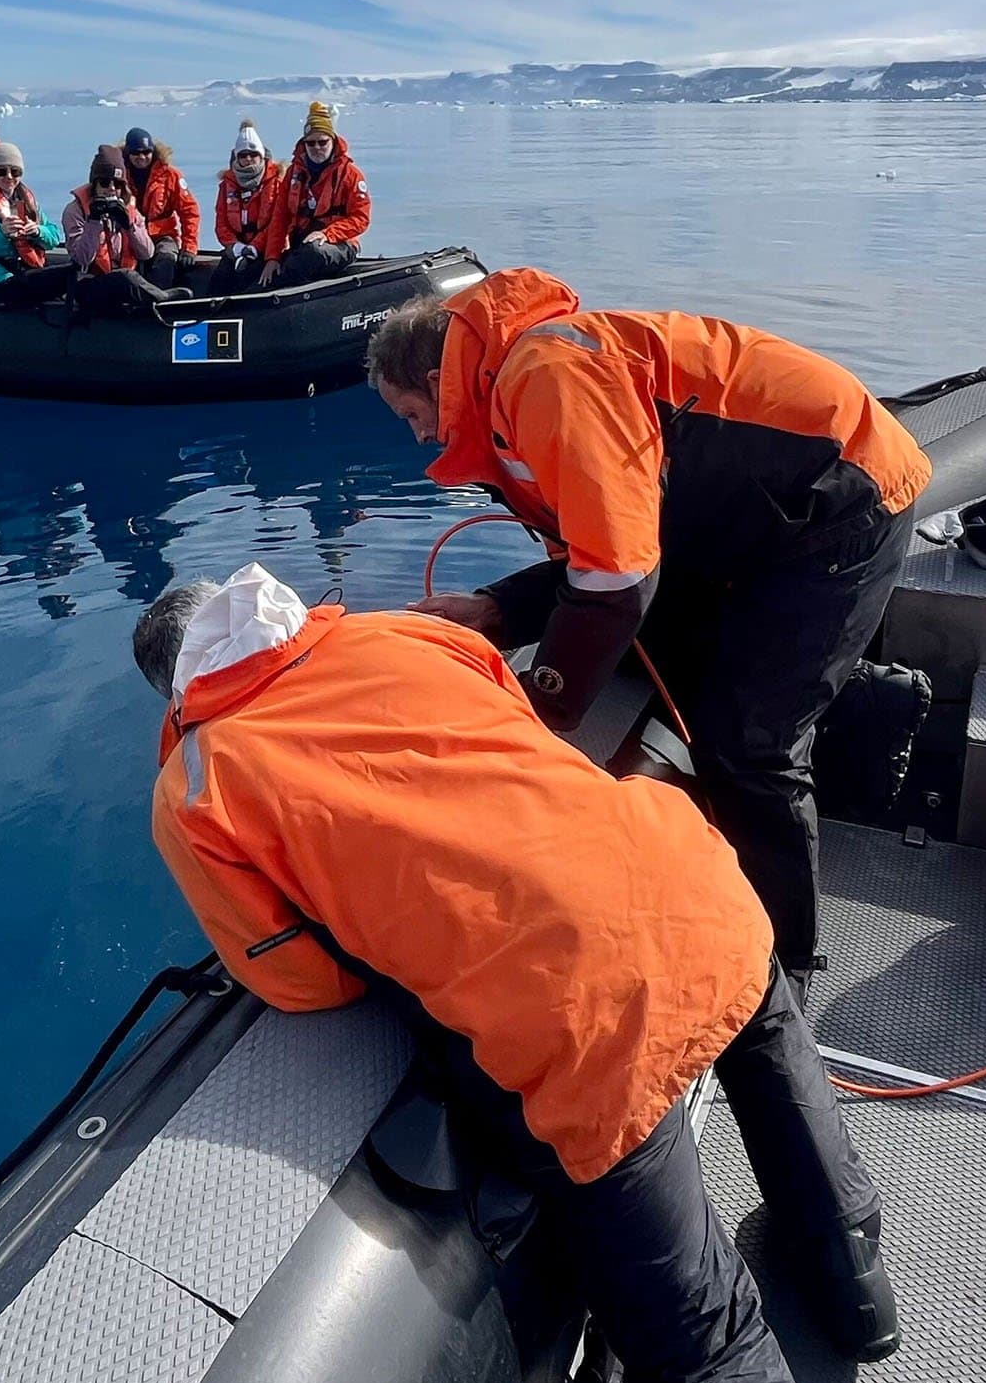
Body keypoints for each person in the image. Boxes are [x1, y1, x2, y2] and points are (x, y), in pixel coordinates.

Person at [132, 568, 898, 1383]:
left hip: (583, 1025)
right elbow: (524, 739)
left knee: (709, 1362)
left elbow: (298, 980)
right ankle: (853, 1273)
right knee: (765, 1036)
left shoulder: (198, 786)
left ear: (175, 688)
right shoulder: (403, 634)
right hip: (693, 885)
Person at [366, 270, 930, 989]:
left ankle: (784, 964)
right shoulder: (513, 388)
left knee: (750, 747)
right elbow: (599, 547)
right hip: (752, 511)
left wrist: (541, 710)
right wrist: (496, 608)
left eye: (412, 414)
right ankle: (847, 699)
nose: (419, 436)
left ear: (436, 379)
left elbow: (615, 578)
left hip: (839, 500)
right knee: (668, 656)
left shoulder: (545, 377)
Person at [62, 145, 181, 316]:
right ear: (94, 184)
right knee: (124, 277)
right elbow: (82, 258)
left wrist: (129, 225)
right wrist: (94, 222)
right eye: (105, 183)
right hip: (88, 285)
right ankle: (162, 299)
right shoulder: (75, 211)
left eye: (117, 184)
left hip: (124, 282)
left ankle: (155, 301)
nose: (111, 189)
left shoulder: (129, 208)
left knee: (140, 270)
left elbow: (147, 253)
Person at [265, 100, 368, 287]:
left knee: (313, 252)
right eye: (311, 143)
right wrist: (273, 257)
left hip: (339, 244)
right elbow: (280, 217)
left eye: (322, 142)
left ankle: (280, 292)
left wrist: (328, 234)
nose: (317, 147)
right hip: (301, 244)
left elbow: (361, 218)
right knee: (265, 266)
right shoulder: (293, 173)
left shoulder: (350, 174)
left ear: (332, 141)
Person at [0, 141, 71, 304]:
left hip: (28, 271)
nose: (9, 177)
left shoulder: (26, 200)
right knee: (67, 276)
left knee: (74, 272)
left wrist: (38, 231)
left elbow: (54, 237)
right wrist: (1, 233)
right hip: (0, 282)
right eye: (2, 171)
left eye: (15, 172)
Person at [116, 128, 199, 288]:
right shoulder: (118, 176)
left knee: (166, 260)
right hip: (128, 236)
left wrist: (189, 247)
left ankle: (159, 297)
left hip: (162, 235)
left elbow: (189, 211)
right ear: (127, 153)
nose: (141, 157)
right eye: (136, 153)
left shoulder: (171, 175)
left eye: (146, 152)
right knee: (123, 266)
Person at [209, 120, 285, 293]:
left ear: (261, 156)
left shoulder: (277, 184)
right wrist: (235, 247)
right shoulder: (226, 186)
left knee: (251, 280)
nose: (248, 159)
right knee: (219, 280)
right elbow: (221, 223)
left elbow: (278, 223)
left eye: (253, 154)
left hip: (267, 248)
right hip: (237, 248)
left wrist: (255, 247)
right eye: (243, 155)